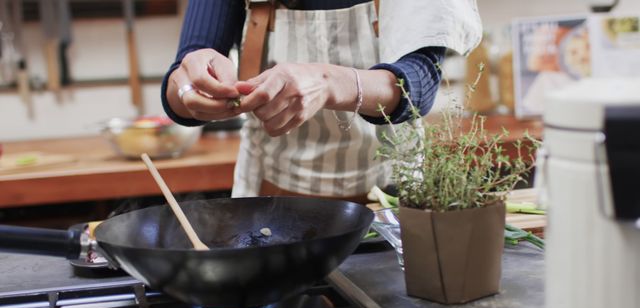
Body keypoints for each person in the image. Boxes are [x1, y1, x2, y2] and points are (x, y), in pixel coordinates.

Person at [161, 0, 482, 202]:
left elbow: (420, 83)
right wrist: (188, 86)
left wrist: (327, 83)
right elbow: (180, 85)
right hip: (271, 198)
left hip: (391, 202)